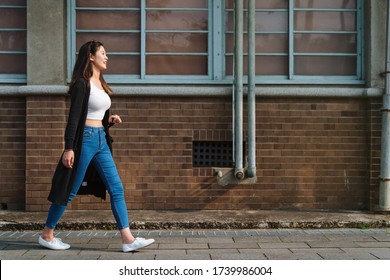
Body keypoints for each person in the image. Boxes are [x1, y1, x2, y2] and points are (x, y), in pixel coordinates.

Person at [38, 40, 154, 252]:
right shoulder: (83, 84)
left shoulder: (101, 83)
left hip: (100, 139)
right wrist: (69, 147)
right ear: (91, 56)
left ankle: (128, 239)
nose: (106, 57)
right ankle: (47, 234)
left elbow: (95, 116)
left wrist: (109, 121)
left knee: (116, 187)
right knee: (70, 190)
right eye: (103, 53)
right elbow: (74, 118)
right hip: (85, 141)